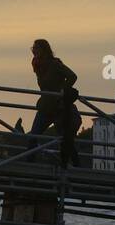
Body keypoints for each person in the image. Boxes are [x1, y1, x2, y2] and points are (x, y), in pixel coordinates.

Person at [29, 38, 81, 166]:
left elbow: (72, 76)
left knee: (65, 140)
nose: (33, 50)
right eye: (33, 48)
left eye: (36, 48)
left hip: (58, 107)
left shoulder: (54, 64)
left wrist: (62, 90)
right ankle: (29, 164)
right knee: (33, 136)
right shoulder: (37, 65)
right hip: (45, 106)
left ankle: (77, 166)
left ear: (43, 50)